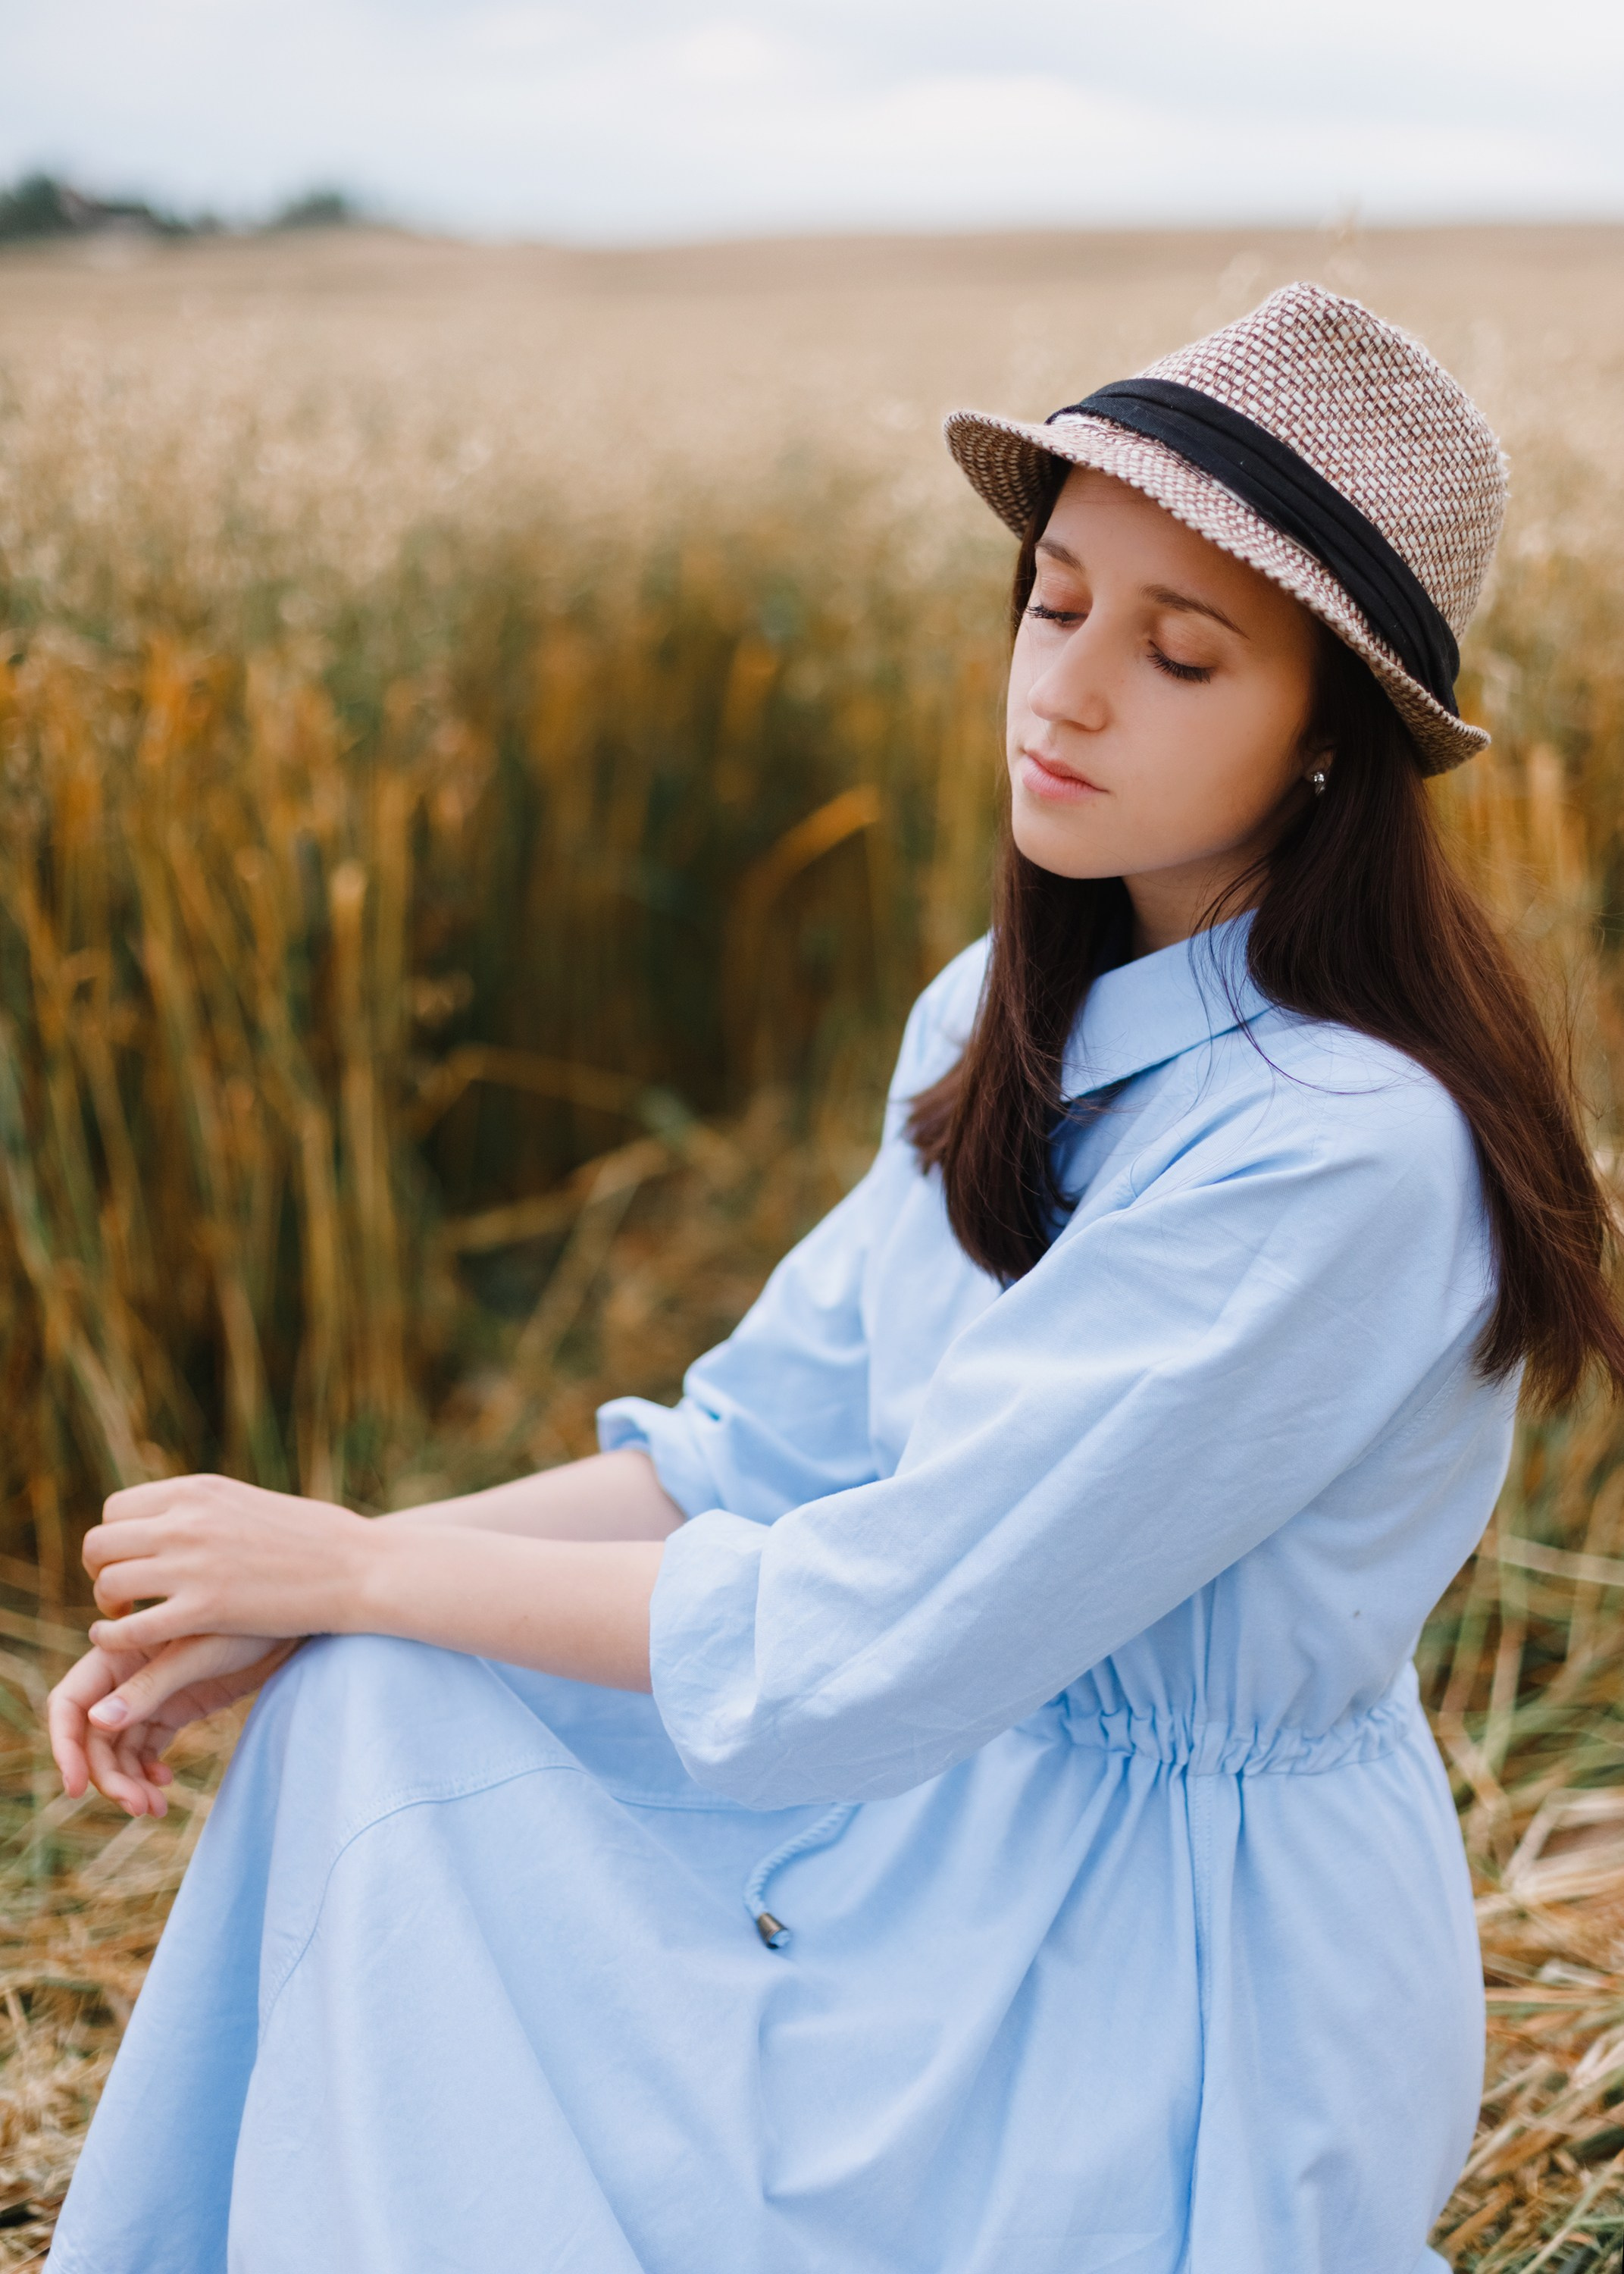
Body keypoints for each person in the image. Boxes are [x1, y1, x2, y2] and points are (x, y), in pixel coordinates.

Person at [42, 284, 1624, 2274]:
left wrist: (349, 1564)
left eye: (1184, 652)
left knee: (392, 1640)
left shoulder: (1345, 1155)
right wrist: (321, 1590)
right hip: (921, 1842)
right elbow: (750, 1456)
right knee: (381, 1697)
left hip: (1166, 1989)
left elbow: (876, 1635)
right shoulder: (1006, 1016)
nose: (1068, 690)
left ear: (1331, 747)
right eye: (1054, 605)